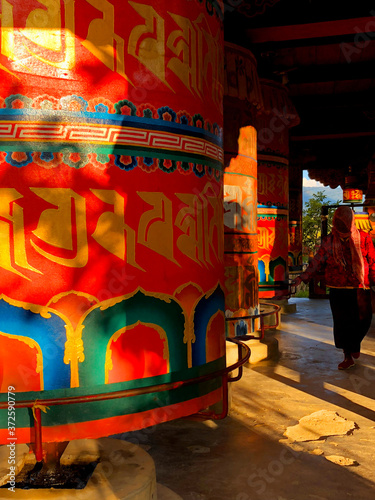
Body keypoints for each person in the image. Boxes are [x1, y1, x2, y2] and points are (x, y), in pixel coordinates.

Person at [292, 205, 375, 370]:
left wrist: (373, 281)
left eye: (343, 222)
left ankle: (354, 344)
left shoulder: (364, 238)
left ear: (350, 221)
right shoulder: (330, 240)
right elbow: (316, 261)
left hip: (359, 286)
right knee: (342, 323)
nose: (341, 225)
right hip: (337, 288)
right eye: (338, 222)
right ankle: (347, 355)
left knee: (364, 319)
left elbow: (372, 262)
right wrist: (302, 277)